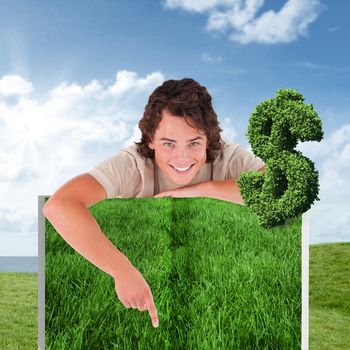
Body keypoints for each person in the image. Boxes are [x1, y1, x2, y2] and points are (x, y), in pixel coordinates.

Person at [43, 78, 265, 329]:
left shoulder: (227, 156)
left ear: (209, 138)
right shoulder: (131, 164)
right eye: (168, 144)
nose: (182, 158)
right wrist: (122, 271)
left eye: (194, 143)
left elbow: (281, 190)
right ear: (150, 139)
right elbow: (59, 205)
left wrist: (202, 189)